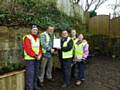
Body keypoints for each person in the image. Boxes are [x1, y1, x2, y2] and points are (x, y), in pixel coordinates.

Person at [23, 25, 42, 90]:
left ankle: (35, 86)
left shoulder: (38, 38)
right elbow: (28, 49)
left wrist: (40, 54)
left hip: (37, 59)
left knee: (36, 73)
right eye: (34, 29)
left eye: (36, 30)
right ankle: (30, 88)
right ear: (31, 30)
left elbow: (39, 48)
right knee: (30, 75)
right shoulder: (27, 37)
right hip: (30, 59)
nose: (35, 31)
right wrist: (35, 56)